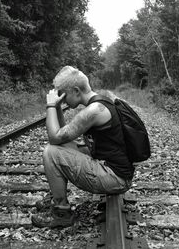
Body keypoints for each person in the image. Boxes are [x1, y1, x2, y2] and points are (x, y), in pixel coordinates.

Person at [31, 66, 134, 228]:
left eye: (64, 95)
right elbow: (61, 137)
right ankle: (57, 201)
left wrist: (50, 106)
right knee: (61, 145)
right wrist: (57, 107)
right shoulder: (100, 102)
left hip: (116, 178)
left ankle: (62, 214)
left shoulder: (94, 111)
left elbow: (53, 137)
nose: (62, 100)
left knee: (50, 152)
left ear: (76, 91)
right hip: (115, 170)